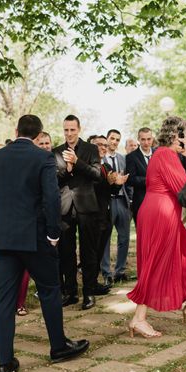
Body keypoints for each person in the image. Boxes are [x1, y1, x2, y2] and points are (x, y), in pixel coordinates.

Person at [0, 114, 89, 372]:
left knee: (5, 298)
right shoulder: (43, 157)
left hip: (3, 238)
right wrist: (53, 233)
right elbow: (50, 197)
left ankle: (5, 362)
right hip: (35, 238)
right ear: (38, 135)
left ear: (15, 130)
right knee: (49, 290)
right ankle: (58, 346)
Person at [127, 117, 186, 339]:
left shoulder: (161, 153)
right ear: (178, 135)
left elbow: (179, 181)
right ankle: (138, 318)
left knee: (185, 256)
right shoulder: (165, 154)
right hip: (160, 214)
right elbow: (182, 190)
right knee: (156, 263)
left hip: (157, 210)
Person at [54, 115, 102, 310]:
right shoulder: (56, 152)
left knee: (88, 251)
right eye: (66, 130)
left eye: (72, 130)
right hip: (65, 207)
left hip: (86, 206)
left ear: (79, 129)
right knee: (66, 252)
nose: (69, 133)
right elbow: (55, 179)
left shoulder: (91, 149)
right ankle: (70, 292)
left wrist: (77, 162)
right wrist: (67, 168)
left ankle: (89, 293)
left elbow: (97, 174)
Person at [16, 131, 53, 316]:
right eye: (41, 143)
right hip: (29, 224)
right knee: (24, 268)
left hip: (48, 222)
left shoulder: (52, 161)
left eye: (48, 143)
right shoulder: (30, 163)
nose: (45, 146)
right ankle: (20, 302)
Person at [101, 128, 131, 285]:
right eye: (112, 138)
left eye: (117, 140)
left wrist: (130, 200)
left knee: (124, 238)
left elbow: (128, 182)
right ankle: (106, 272)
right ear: (107, 139)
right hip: (107, 202)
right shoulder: (100, 159)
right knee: (105, 238)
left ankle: (120, 271)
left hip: (122, 202)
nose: (114, 142)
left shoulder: (122, 159)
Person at [126, 127, 154, 228]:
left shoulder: (158, 153)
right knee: (143, 235)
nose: (146, 142)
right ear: (138, 139)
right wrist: (149, 180)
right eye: (143, 139)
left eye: (149, 139)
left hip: (158, 203)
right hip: (141, 202)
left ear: (152, 139)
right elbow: (130, 179)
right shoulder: (131, 157)